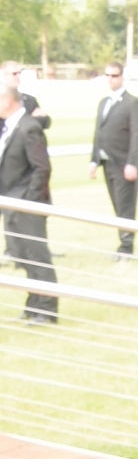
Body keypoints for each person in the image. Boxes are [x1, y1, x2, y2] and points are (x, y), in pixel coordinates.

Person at [0, 66, 58, 324]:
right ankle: (34, 303)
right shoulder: (9, 127)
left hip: (27, 204)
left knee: (37, 257)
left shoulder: (28, 127)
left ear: (7, 101)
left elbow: (41, 168)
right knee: (23, 256)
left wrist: (29, 201)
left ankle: (47, 309)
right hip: (11, 203)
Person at [88, 61, 138, 255]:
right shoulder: (104, 102)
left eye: (114, 76)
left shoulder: (132, 103)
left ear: (122, 77)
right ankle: (123, 241)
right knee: (117, 204)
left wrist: (132, 163)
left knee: (125, 206)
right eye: (108, 76)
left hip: (123, 163)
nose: (111, 79)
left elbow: (137, 135)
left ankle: (126, 246)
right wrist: (94, 160)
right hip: (107, 162)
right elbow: (99, 133)